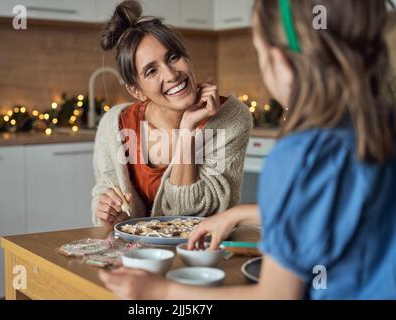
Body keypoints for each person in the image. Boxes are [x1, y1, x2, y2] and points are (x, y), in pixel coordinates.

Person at [99, 0, 396, 299]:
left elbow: (275, 296)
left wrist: (161, 293)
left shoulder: (301, 154)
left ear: (279, 60)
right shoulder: (377, 125)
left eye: (259, 52)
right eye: (151, 70)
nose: (171, 74)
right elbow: (335, 211)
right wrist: (243, 214)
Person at [91, 0, 252, 227]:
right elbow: (105, 192)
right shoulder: (114, 125)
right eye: (151, 71)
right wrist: (109, 210)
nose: (171, 75)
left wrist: (187, 132)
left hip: (202, 253)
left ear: (188, 57)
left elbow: (191, 217)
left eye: (173, 57)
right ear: (136, 90)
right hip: (134, 254)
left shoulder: (231, 118)